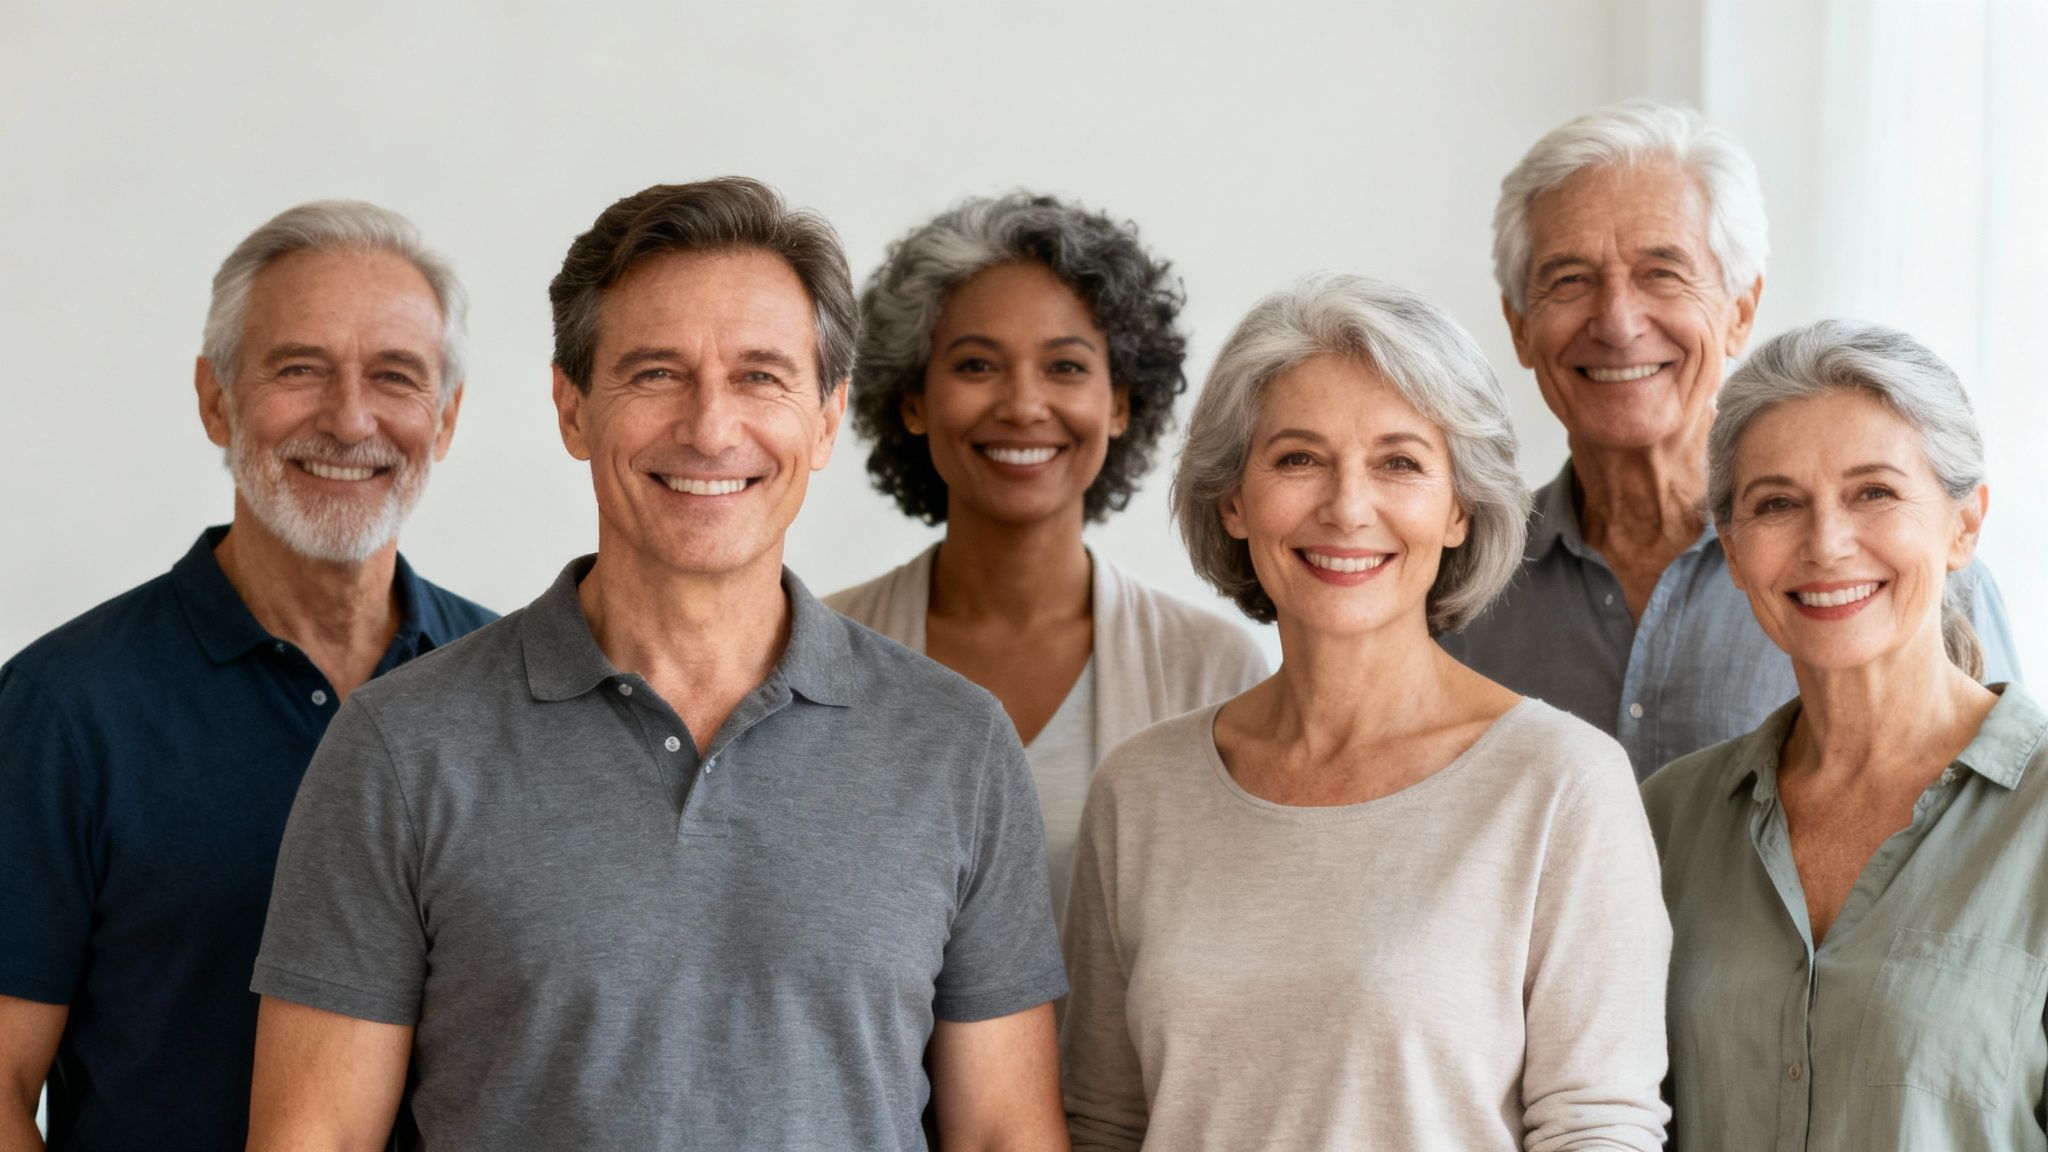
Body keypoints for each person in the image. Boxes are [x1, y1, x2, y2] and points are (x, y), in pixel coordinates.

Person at [245, 178, 1070, 1150]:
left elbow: (1003, 1135)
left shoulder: (954, 744)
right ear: (572, 407)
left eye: (761, 376)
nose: (710, 428)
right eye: (654, 373)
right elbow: (316, 1139)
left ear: (825, 418)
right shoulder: (399, 744)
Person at [1060, 275, 1669, 1150]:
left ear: (1460, 509)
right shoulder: (1142, 790)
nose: (1348, 507)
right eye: (1298, 458)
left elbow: (1599, 1129)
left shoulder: (1560, 783)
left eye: (1400, 463)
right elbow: (1104, 1124)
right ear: (1234, 499)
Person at [0, 201, 492, 1151]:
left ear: (448, 416)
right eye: (299, 368)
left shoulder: (516, 692)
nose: (349, 419)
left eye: (395, 376)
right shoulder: (63, 714)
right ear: (216, 398)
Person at [1441, 99, 2020, 779]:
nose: (1619, 322)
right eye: (1570, 280)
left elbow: (1996, 827)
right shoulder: (1460, 586)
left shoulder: (1904, 570)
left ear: (1740, 312)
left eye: (1662, 272)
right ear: (1519, 328)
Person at [1643, 321, 2048, 1150]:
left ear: (1964, 524)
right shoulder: (1667, 819)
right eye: (1777, 504)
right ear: (1732, 548)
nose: (1825, 543)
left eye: (1875, 492)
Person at [829, 192, 1266, 919]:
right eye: (976, 365)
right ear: (912, 400)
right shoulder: (817, 655)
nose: (1024, 406)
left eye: (1065, 367)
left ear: (1121, 402)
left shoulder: (1215, 673)